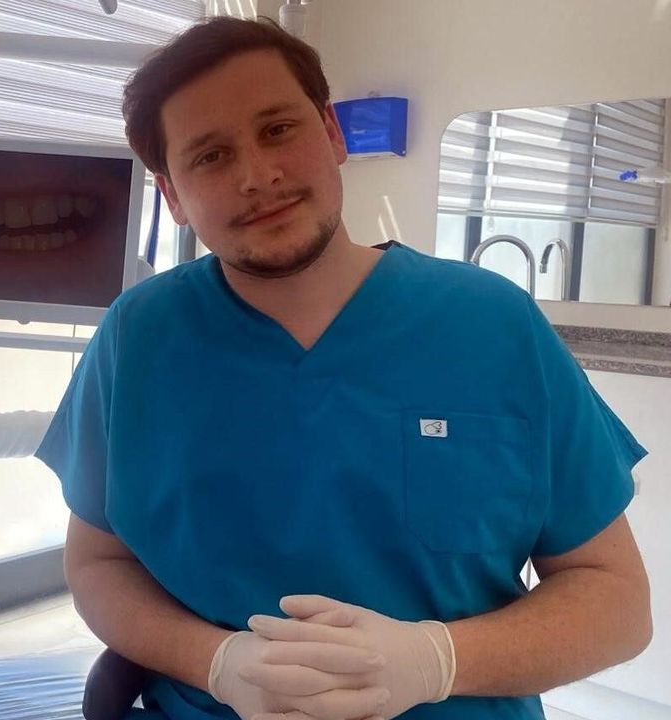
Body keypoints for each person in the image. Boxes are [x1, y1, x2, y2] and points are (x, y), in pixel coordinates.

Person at [35, 16, 652, 720]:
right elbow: (98, 562)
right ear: (172, 195)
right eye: (210, 156)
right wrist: (216, 662)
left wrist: (437, 661)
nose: (257, 176)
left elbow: (616, 602)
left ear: (332, 133)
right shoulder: (137, 339)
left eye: (277, 129)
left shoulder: (494, 326)